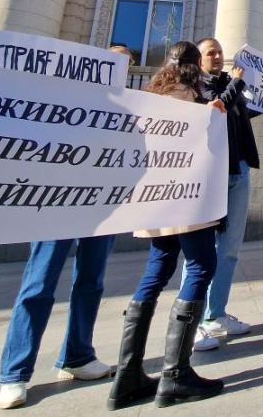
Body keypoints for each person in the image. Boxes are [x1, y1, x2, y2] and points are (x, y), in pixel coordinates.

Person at [107, 42, 224, 410]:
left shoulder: (152, 93)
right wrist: (213, 113)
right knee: (202, 265)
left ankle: (126, 377)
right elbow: (198, 144)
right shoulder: (189, 97)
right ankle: (175, 375)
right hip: (186, 199)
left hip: (156, 202)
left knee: (155, 272)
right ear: (191, 67)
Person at [193, 38, 257, 350]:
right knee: (201, 250)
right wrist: (236, 82)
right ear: (199, 59)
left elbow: (236, 111)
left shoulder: (227, 84)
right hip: (212, 173)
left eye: (219, 51)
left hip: (239, 168)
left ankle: (216, 313)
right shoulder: (197, 86)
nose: (218, 56)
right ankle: (195, 322)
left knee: (230, 248)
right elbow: (217, 108)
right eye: (211, 52)